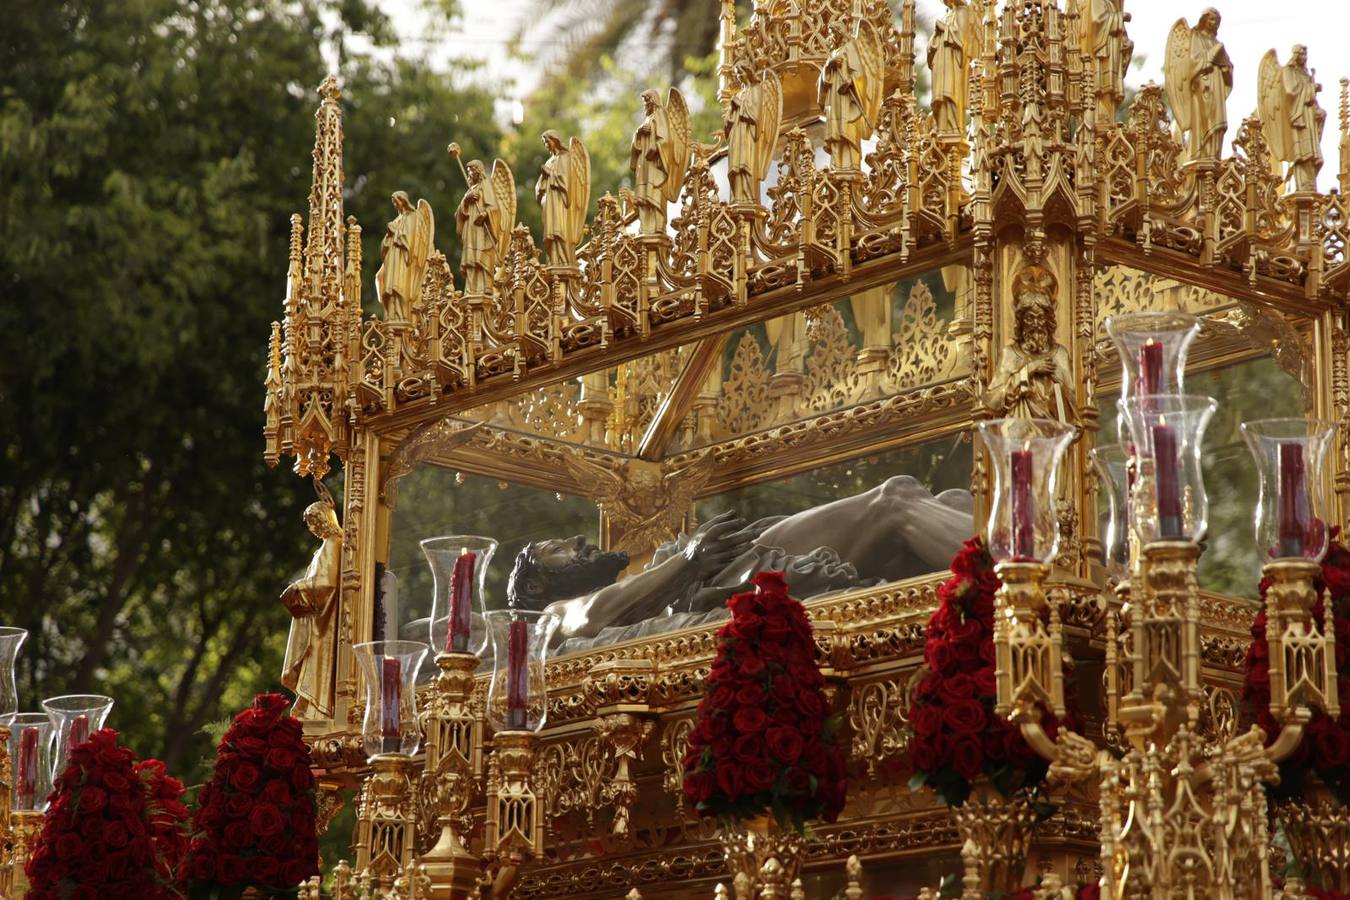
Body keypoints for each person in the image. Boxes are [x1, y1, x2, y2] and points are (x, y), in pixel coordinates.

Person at [506, 476, 973, 643]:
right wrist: (690, 559)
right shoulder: (552, 615)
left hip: (724, 564)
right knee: (895, 501)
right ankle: (1025, 582)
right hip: (728, 571)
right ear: (536, 587)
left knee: (945, 501)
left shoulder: (636, 578)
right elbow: (596, 615)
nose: (576, 540)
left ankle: (1012, 575)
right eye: (557, 550)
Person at [985, 264, 1075, 423]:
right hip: (1018, 433)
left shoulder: (1060, 354)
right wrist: (1028, 370)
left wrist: (1058, 386)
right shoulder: (1010, 353)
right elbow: (993, 401)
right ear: (1021, 321)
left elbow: (1072, 404)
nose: (1035, 323)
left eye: (1040, 318)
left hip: (1053, 436)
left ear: (1048, 321)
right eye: (1029, 318)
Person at [280, 500, 342, 718]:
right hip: (316, 617)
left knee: (315, 665)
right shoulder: (324, 547)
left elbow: (327, 583)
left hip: (324, 621)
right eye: (310, 524)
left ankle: (316, 709)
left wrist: (298, 587)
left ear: (325, 519)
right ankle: (309, 707)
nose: (312, 528)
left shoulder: (334, 542)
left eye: (314, 522)